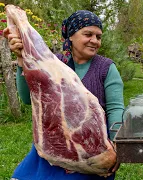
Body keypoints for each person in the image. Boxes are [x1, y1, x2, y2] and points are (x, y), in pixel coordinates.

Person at [4, 10, 124, 180]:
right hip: (55, 145)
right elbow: (27, 98)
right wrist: (21, 61)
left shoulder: (105, 68)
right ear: (71, 36)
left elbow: (116, 108)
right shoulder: (52, 62)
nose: (94, 41)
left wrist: (116, 145)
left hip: (91, 147)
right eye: (88, 34)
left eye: (98, 36)